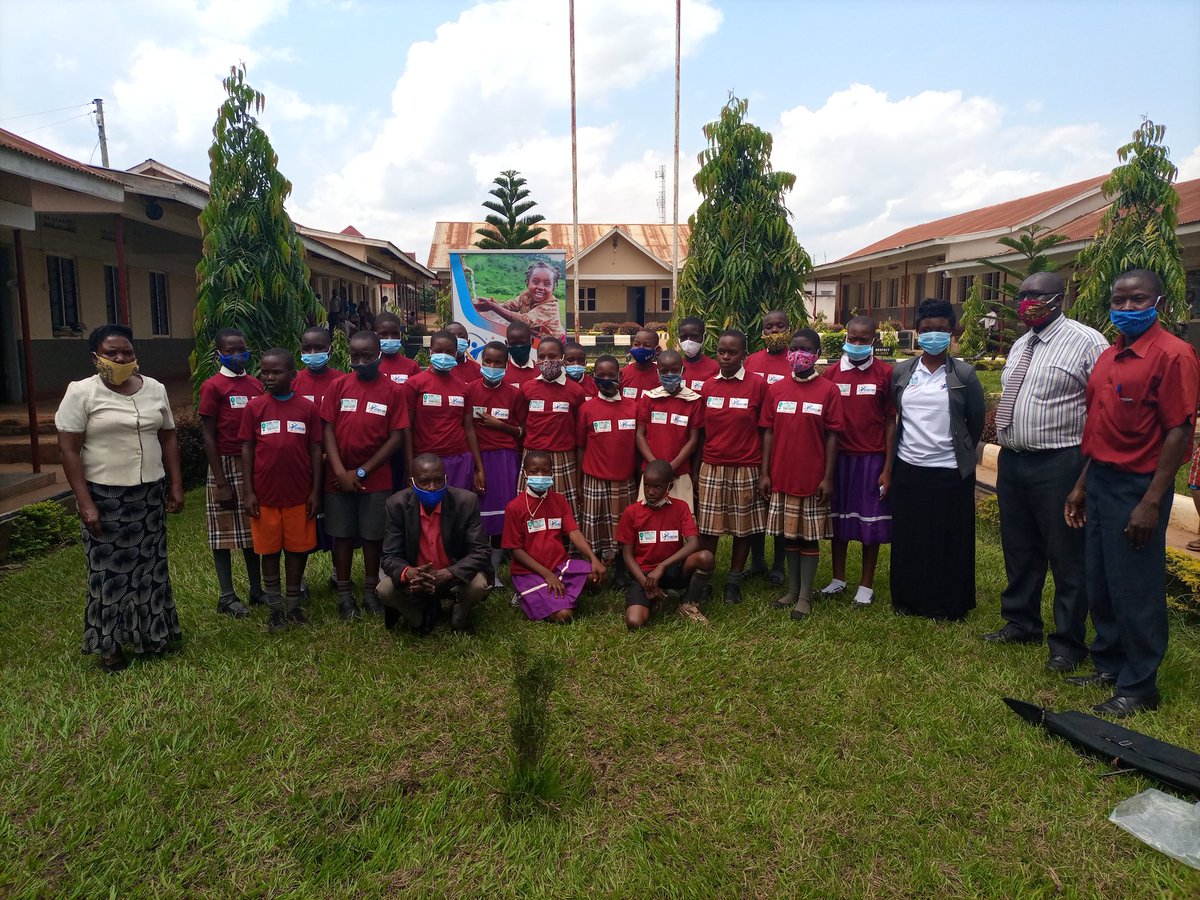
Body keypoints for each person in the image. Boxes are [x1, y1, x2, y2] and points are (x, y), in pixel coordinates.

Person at [1065, 269, 1200, 717]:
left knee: (1135, 586)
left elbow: (1180, 430)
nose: (1126, 309)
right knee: (1100, 577)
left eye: (1137, 300)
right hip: (1100, 478)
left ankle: (1141, 685)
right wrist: (1083, 484)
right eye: (1118, 301)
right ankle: (1110, 663)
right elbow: (1100, 426)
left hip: (1139, 486)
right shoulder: (1108, 356)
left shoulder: (1173, 355)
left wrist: (1153, 500)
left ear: (1158, 302)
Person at [980, 272, 1108, 672]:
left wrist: (1085, 478)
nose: (1026, 302)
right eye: (1021, 295)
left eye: (1035, 295)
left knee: (1067, 555)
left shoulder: (1087, 342)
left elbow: (1103, 411)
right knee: (1019, 547)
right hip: (1014, 460)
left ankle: (1068, 643)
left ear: (1060, 297)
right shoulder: (1021, 342)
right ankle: (1021, 621)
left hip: (1061, 462)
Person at [56, 324, 185, 673]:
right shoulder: (82, 392)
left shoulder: (154, 388)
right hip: (106, 494)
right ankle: (109, 646)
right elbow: (69, 450)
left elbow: (169, 436)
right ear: (95, 356)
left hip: (149, 493)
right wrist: (84, 502)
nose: (120, 358)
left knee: (150, 569)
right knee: (109, 573)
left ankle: (153, 635)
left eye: (126, 351)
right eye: (111, 352)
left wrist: (175, 484)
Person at [887, 299, 985, 621]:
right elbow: (893, 415)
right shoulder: (902, 371)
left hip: (949, 470)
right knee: (910, 536)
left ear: (952, 332)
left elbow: (975, 421)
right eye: (927, 330)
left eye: (941, 330)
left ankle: (947, 605)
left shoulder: (964, 373)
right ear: (917, 332)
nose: (933, 335)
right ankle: (908, 599)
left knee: (949, 539)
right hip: (909, 467)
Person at [322, 330, 410, 620]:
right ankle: (345, 596)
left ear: (379, 355)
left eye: (367, 356)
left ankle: (371, 592)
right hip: (338, 478)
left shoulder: (393, 391)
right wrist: (340, 471)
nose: (360, 362)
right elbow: (328, 431)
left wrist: (360, 471)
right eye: (355, 356)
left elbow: (396, 437)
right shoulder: (338, 386)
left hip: (375, 478)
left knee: (374, 539)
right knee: (343, 537)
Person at [759, 329, 844, 619]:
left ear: (817, 354)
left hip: (812, 478)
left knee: (808, 538)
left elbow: (833, 436)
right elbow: (768, 431)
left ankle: (806, 596)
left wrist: (828, 477)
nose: (798, 354)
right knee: (789, 537)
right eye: (794, 348)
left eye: (805, 349)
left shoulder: (828, 390)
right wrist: (765, 472)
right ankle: (792, 591)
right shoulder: (777, 389)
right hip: (782, 474)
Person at [239, 349, 323, 632]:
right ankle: (275, 609)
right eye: (265, 372)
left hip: (299, 495)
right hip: (265, 496)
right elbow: (247, 448)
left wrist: (315, 491)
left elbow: (315, 449)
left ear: (293, 375)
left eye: (276, 372)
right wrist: (248, 491)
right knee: (270, 552)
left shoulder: (307, 408)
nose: (269, 377)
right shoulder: (255, 408)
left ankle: (293, 605)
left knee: (298, 552)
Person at [820, 316, 896, 607]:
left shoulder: (884, 373)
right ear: (845, 338)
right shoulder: (831, 373)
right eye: (853, 338)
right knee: (837, 521)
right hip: (837, 460)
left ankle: (865, 585)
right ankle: (838, 579)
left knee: (869, 524)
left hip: (871, 459)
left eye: (864, 339)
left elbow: (891, 420)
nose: (857, 344)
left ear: (874, 341)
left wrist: (887, 468)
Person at [378, 454, 492, 634]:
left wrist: (448, 573)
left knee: (479, 584)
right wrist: (409, 574)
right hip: (418, 580)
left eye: (438, 481)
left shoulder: (466, 501)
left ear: (446, 479)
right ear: (411, 482)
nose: (432, 488)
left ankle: (459, 616)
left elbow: (481, 551)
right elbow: (390, 556)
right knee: (384, 590)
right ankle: (418, 618)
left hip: (454, 576)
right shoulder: (396, 504)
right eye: (424, 482)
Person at [696, 329, 769, 605]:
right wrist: (697, 466)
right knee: (709, 529)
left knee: (743, 528)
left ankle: (733, 581)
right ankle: (704, 578)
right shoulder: (707, 386)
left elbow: (765, 431)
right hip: (712, 465)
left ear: (744, 355)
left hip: (746, 467)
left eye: (733, 352)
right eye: (721, 351)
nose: (726, 357)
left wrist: (764, 470)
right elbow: (700, 432)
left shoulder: (758, 386)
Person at [199, 328, 265, 617]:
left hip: (252, 463)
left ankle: (256, 589)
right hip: (224, 463)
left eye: (242, 349)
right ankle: (226, 595)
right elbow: (208, 435)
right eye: (230, 351)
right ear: (219, 355)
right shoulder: (213, 387)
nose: (238, 355)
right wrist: (221, 481)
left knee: (253, 530)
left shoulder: (255, 384)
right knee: (223, 533)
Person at [502, 450, 607, 622]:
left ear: (552, 472)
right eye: (534, 471)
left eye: (545, 471)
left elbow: (573, 532)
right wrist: (546, 574)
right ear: (525, 473)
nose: (540, 475)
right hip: (529, 571)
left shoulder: (559, 500)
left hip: (559, 565)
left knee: (596, 574)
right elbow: (516, 550)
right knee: (564, 616)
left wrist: (593, 557)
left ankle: (557, 592)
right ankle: (531, 595)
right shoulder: (515, 507)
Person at [618, 459, 715, 629]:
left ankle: (687, 603)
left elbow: (694, 543)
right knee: (634, 622)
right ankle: (654, 596)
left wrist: (662, 566)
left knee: (706, 557)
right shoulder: (631, 512)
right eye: (647, 486)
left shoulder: (681, 507)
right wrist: (645, 582)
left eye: (657, 487)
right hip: (644, 574)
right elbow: (627, 554)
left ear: (669, 487)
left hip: (673, 570)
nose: (650, 492)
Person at [576, 355, 640, 579]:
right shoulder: (587, 409)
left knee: (622, 526)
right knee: (594, 526)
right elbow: (581, 447)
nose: (606, 380)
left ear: (620, 376)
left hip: (624, 478)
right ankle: (593, 570)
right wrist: (579, 481)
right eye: (601, 376)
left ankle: (622, 570)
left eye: (611, 375)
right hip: (595, 477)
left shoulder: (633, 408)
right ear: (594, 379)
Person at [466, 341, 524, 585]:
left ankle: (495, 569)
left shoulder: (515, 394)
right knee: (480, 516)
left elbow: (522, 431)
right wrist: (478, 467)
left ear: (505, 365)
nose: (491, 366)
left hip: (505, 459)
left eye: (497, 363)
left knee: (502, 517)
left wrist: (501, 426)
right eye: (487, 361)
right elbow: (467, 427)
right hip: (479, 457)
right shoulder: (469, 390)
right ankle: (480, 568)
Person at [745, 309, 794, 585]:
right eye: (769, 327)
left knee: (779, 508)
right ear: (762, 332)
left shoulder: (795, 360)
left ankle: (778, 564)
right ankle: (757, 560)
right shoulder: (751, 361)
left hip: (783, 446)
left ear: (789, 328)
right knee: (756, 507)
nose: (774, 331)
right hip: (753, 444)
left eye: (780, 326)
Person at [405, 329, 485, 492]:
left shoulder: (463, 388)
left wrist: (479, 467)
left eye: (449, 352)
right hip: (425, 461)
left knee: (456, 510)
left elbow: (469, 428)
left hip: (459, 459)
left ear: (456, 354)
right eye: (438, 351)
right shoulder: (414, 384)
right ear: (430, 352)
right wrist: (409, 466)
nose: (444, 355)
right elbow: (407, 429)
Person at [517, 336, 587, 509]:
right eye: (542, 357)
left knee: (562, 510)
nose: (546, 361)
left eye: (552, 356)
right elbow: (523, 422)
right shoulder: (528, 388)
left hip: (562, 457)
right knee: (530, 508)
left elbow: (579, 431)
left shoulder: (575, 391)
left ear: (562, 358)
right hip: (532, 456)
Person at [636, 349, 700, 510]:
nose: (669, 374)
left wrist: (670, 468)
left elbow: (693, 439)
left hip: (679, 473)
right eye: (664, 371)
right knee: (648, 520)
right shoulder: (649, 398)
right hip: (651, 474)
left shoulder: (694, 401)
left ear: (683, 370)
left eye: (674, 370)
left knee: (681, 520)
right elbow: (640, 435)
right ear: (657, 372)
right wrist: (656, 467)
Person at [474, 260, 564, 339]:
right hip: (536, 339)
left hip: (555, 343)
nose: (540, 287)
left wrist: (494, 307)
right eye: (535, 282)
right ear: (527, 282)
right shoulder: (526, 295)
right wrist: (495, 304)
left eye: (547, 284)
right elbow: (511, 305)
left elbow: (524, 321)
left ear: (553, 287)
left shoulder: (551, 306)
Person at [375, 312, 420, 386]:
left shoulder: (412, 366)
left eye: (395, 334)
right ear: (376, 335)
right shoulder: (371, 367)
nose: (390, 338)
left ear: (400, 335)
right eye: (384, 334)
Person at [678, 316, 718, 391]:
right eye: (684, 337)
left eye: (694, 336)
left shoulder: (715, 368)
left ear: (704, 337)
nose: (688, 341)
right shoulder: (674, 368)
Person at [621, 328, 662, 400]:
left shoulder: (662, 375)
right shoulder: (622, 374)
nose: (640, 348)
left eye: (647, 345)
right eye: (636, 344)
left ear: (657, 350)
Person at [504, 321, 541, 389]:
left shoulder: (540, 371)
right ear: (507, 344)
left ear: (532, 341)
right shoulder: (502, 372)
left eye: (522, 343)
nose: (518, 347)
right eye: (513, 344)